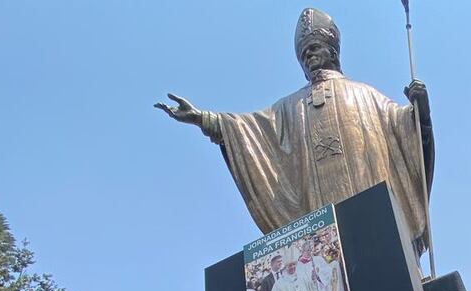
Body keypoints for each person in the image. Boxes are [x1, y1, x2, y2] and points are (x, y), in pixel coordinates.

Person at [155, 7, 434, 257]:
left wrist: (419, 113)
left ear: (333, 52)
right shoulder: (290, 108)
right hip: (323, 232)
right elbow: (248, 130)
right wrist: (202, 119)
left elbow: (407, 135)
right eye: (304, 53)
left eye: (314, 47)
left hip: (376, 227)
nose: (309, 55)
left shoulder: (365, 95)